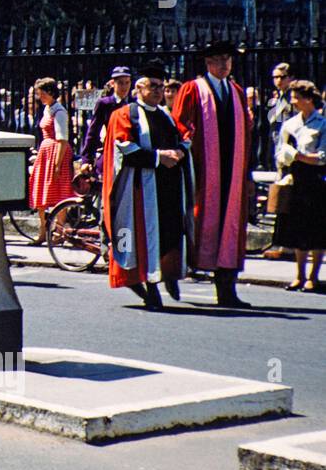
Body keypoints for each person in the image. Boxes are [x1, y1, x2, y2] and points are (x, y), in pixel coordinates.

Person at [103, 67, 193, 310]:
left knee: (169, 235)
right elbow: (124, 146)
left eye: (160, 86)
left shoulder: (166, 115)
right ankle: (149, 289)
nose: (157, 90)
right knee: (137, 241)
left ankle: (169, 276)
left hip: (167, 188)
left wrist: (179, 152)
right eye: (151, 85)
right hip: (138, 193)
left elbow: (186, 137)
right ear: (138, 89)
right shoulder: (125, 114)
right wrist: (157, 157)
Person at [172, 40, 254, 307]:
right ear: (207, 63)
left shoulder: (237, 91)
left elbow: (247, 131)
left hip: (232, 170)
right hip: (203, 172)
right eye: (219, 60)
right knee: (198, 224)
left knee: (230, 226)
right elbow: (180, 125)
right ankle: (174, 273)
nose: (224, 64)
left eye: (228, 60)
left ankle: (227, 288)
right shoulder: (192, 90)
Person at [273, 80, 325, 291]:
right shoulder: (290, 124)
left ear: (308, 99)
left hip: (317, 180)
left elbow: (322, 157)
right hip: (296, 179)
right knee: (298, 228)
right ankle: (299, 275)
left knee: (317, 230)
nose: (293, 101)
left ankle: (313, 276)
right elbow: (279, 151)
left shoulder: (322, 123)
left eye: (296, 97)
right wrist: (285, 159)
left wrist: (298, 155)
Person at [28, 78, 77, 244]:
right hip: (46, 153)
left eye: (42, 93)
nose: (40, 97)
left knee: (59, 193)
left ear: (50, 92)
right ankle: (43, 231)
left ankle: (59, 230)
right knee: (41, 192)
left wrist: (57, 165)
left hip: (57, 154)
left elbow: (62, 139)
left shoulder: (60, 112)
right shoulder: (47, 109)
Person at [262, 63, 295, 260]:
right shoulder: (278, 99)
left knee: (287, 200)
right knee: (283, 200)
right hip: (279, 153)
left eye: (282, 77)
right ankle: (282, 243)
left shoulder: (292, 98)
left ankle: (286, 245)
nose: (278, 81)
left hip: (289, 155)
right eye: (275, 77)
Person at [78, 66, 132, 175]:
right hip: (111, 153)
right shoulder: (105, 104)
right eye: (120, 83)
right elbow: (93, 132)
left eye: (127, 83)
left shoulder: (134, 103)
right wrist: (86, 159)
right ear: (113, 83)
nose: (124, 87)